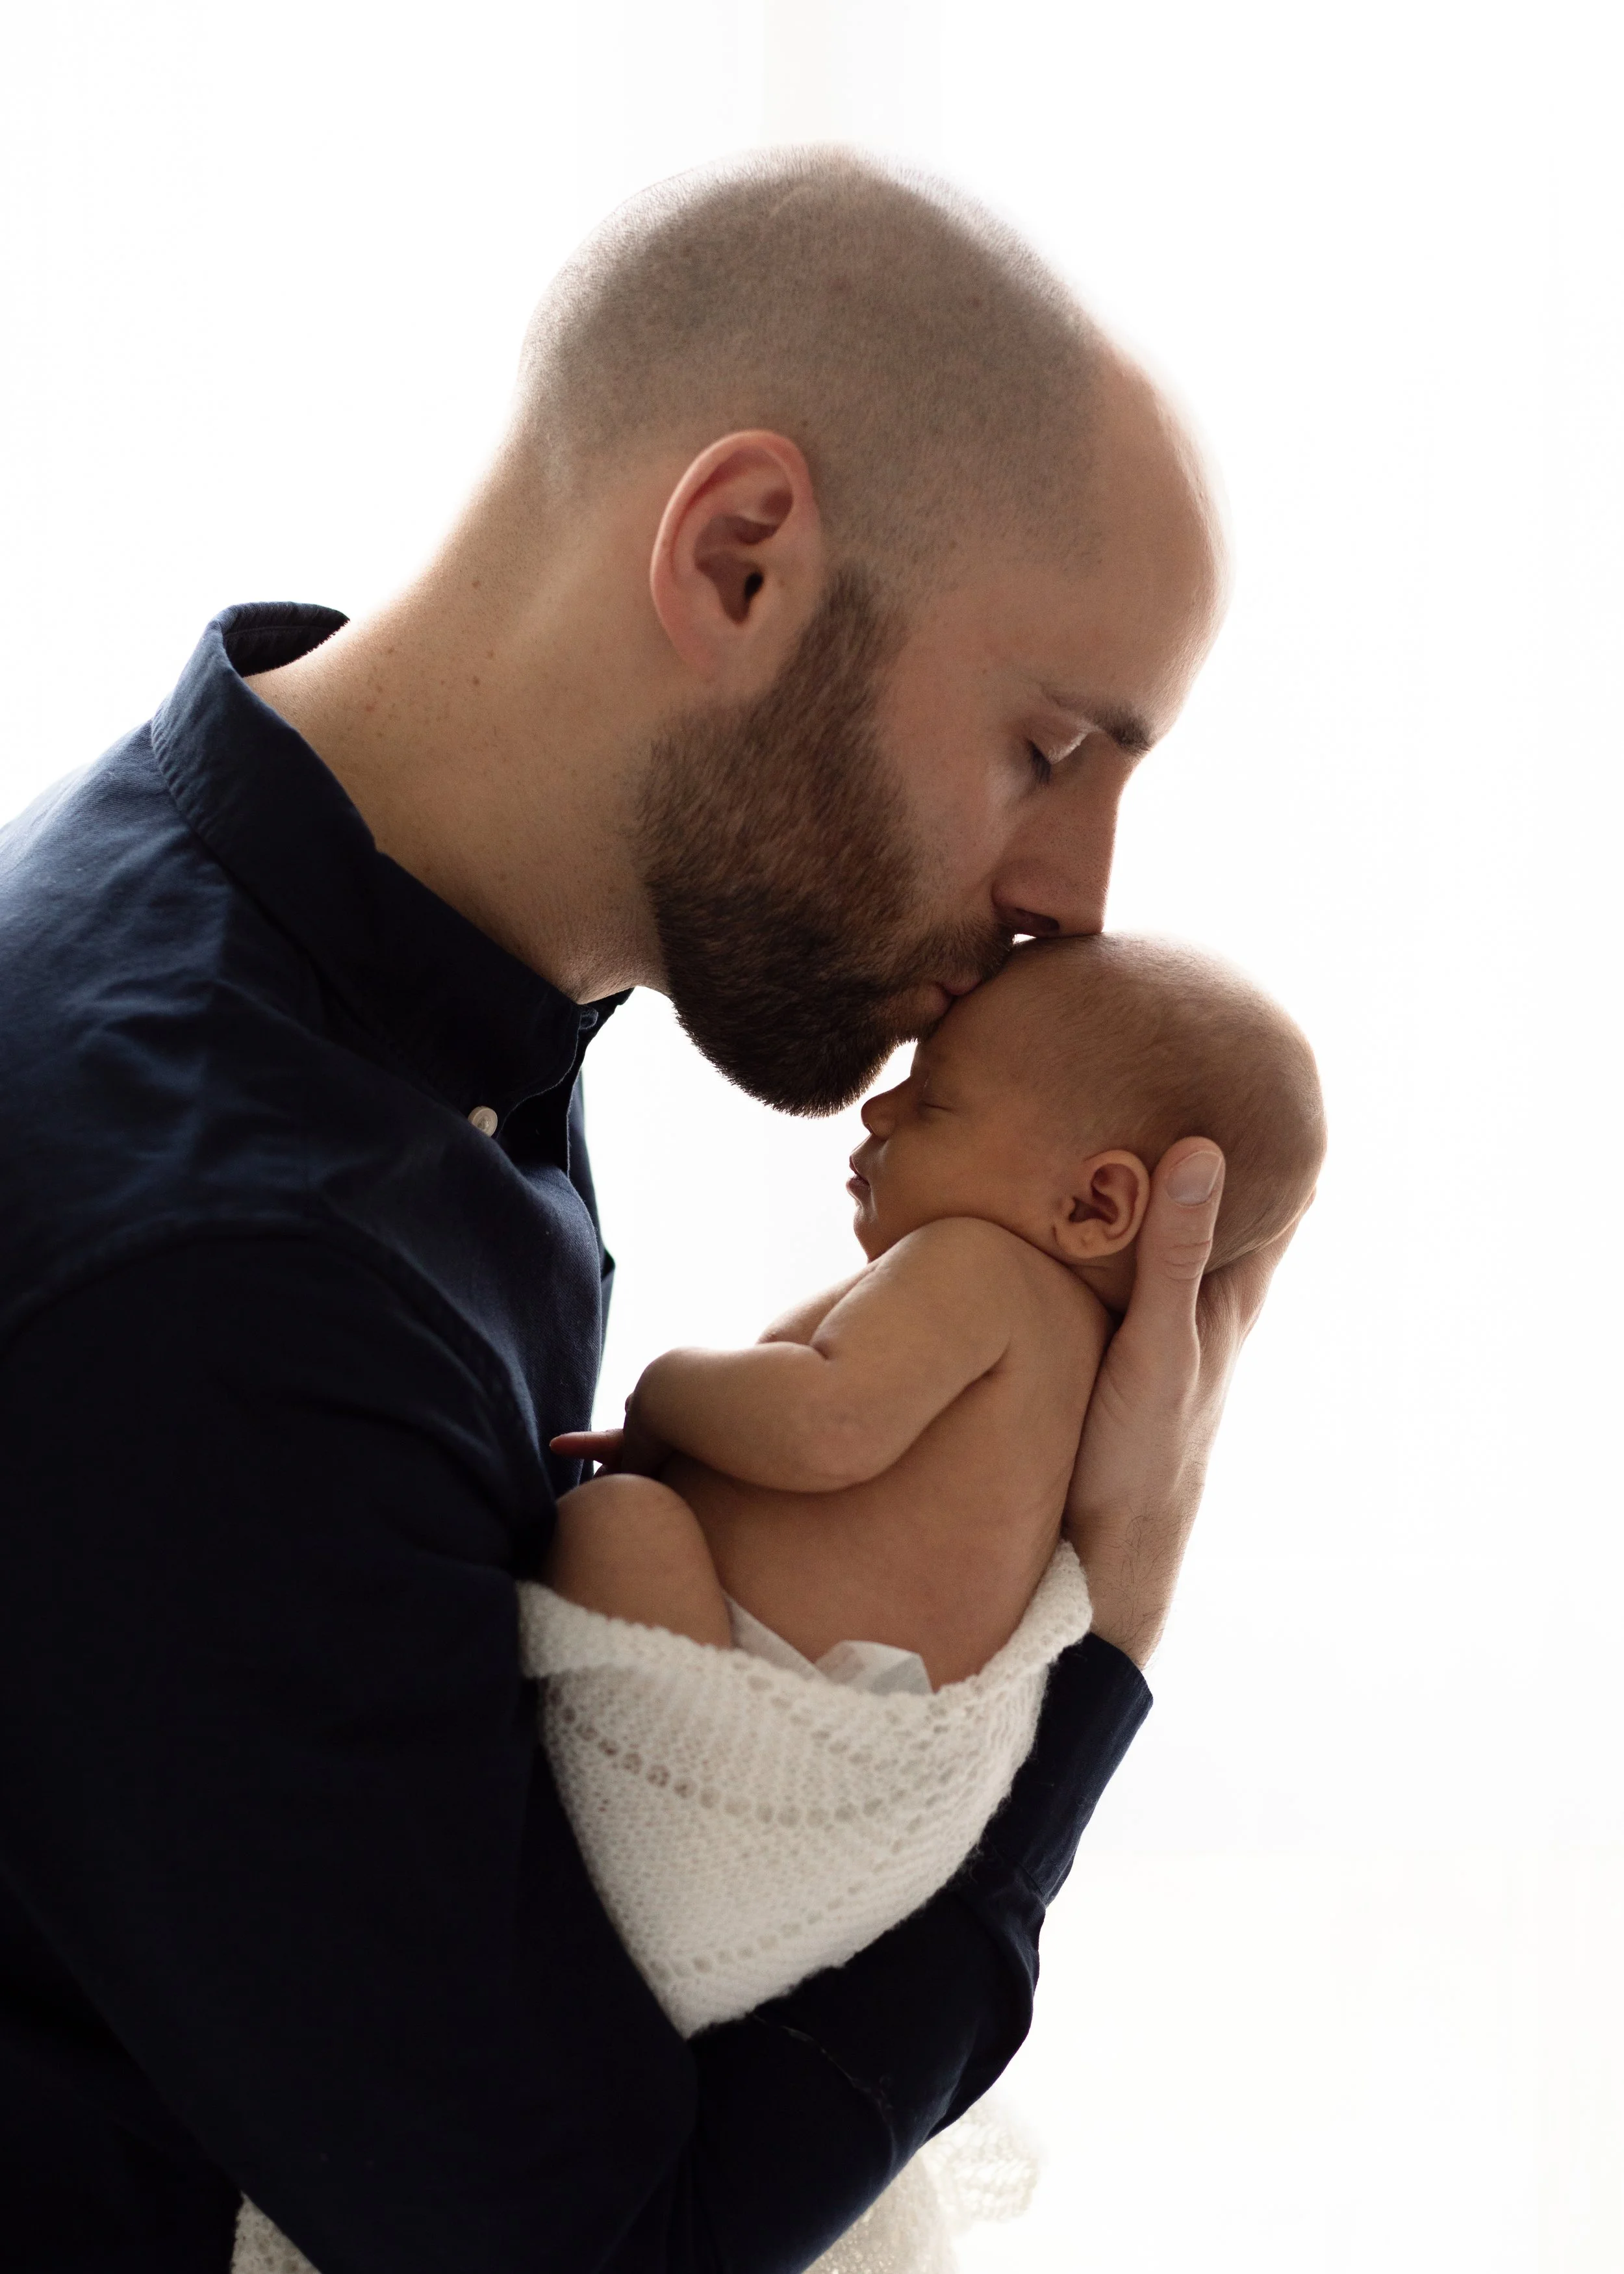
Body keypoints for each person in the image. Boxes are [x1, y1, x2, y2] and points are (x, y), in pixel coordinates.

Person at [0, 149, 1288, 2274]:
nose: (1080, 898)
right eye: (1048, 745)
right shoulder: (215, 1276)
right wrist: (1103, 1633)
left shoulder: (417, 970)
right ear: (744, 556)